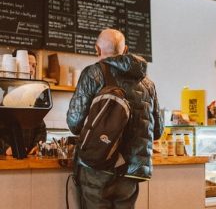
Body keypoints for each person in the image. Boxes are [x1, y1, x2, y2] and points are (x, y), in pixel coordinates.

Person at [66, 28, 164, 208]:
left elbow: (74, 122)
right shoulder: (148, 84)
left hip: (97, 166)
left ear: (97, 49)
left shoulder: (93, 73)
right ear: (125, 50)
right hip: (131, 172)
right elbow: (157, 131)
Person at [0, 49, 47, 156]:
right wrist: (6, 148)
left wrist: (37, 146)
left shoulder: (34, 95)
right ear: (15, 65)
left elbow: (41, 128)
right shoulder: (1, 92)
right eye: (27, 64)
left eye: (34, 66)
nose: (31, 69)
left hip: (27, 157)